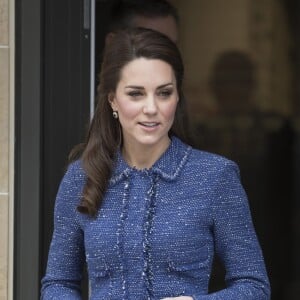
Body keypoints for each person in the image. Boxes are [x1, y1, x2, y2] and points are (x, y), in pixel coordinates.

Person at [41, 28, 270, 299]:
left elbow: (254, 286)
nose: (151, 108)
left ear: (177, 97)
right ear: (113, 99)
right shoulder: (82, 177)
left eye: (163, 93)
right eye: (136, 94)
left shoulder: (215, 176)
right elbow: (58, 283)